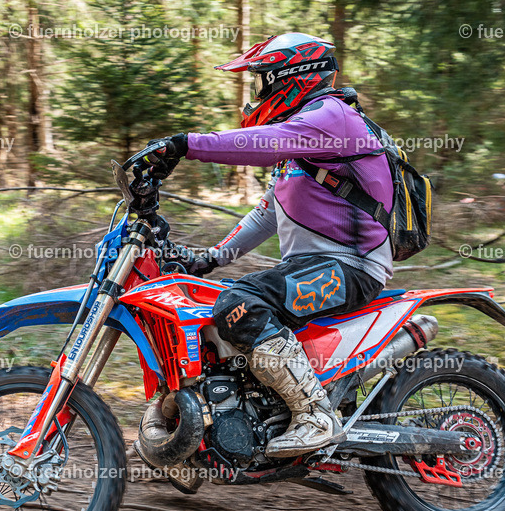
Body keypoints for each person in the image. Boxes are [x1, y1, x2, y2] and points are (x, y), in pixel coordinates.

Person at [143, 33, 394, 457]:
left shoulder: (332, 116)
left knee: (239, 304)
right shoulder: (302, 141)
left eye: (263, 81)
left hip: (350, 268)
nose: (257, 94)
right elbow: (266, 214)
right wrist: (208, 260)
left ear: (292, 77)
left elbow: (259, 144)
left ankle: (315, 414)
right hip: (313, 268)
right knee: (208, 313)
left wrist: (186, 145)